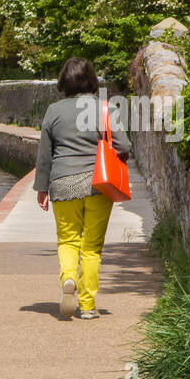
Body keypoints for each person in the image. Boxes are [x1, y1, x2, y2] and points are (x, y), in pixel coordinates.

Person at [34, 57, 133, 319]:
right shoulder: (105, 109)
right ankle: (87, 306)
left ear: (63, 82)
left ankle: (68, 278)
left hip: (63, 183)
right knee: (91, 248)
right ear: (91, 80)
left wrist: (41, 188)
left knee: (67, 240)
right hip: (98, 183)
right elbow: (125, 146)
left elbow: (45, 155)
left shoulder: (53, 111)